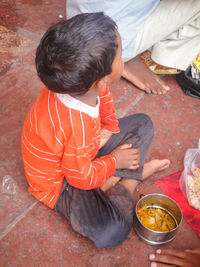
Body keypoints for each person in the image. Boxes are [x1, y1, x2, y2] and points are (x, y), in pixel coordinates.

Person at [21, 13, 170, 248]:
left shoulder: (77, 85)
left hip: (80, 156)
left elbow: (105, 100)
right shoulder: (76, 124)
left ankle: (108, 182)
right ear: (102, 80)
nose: (125, 57)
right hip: (63, 184)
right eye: (122, 55)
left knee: (143, 124)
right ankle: (128, 182)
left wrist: (109, 129)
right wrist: (114, 160)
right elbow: (78, 178)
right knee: (113, 231)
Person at [67, 0, 200, 95]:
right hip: (118, 23)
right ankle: (127, 54)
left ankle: (122, 52)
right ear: (103, 82)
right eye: (119, 60)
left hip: (82, 16)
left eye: (120, 59)